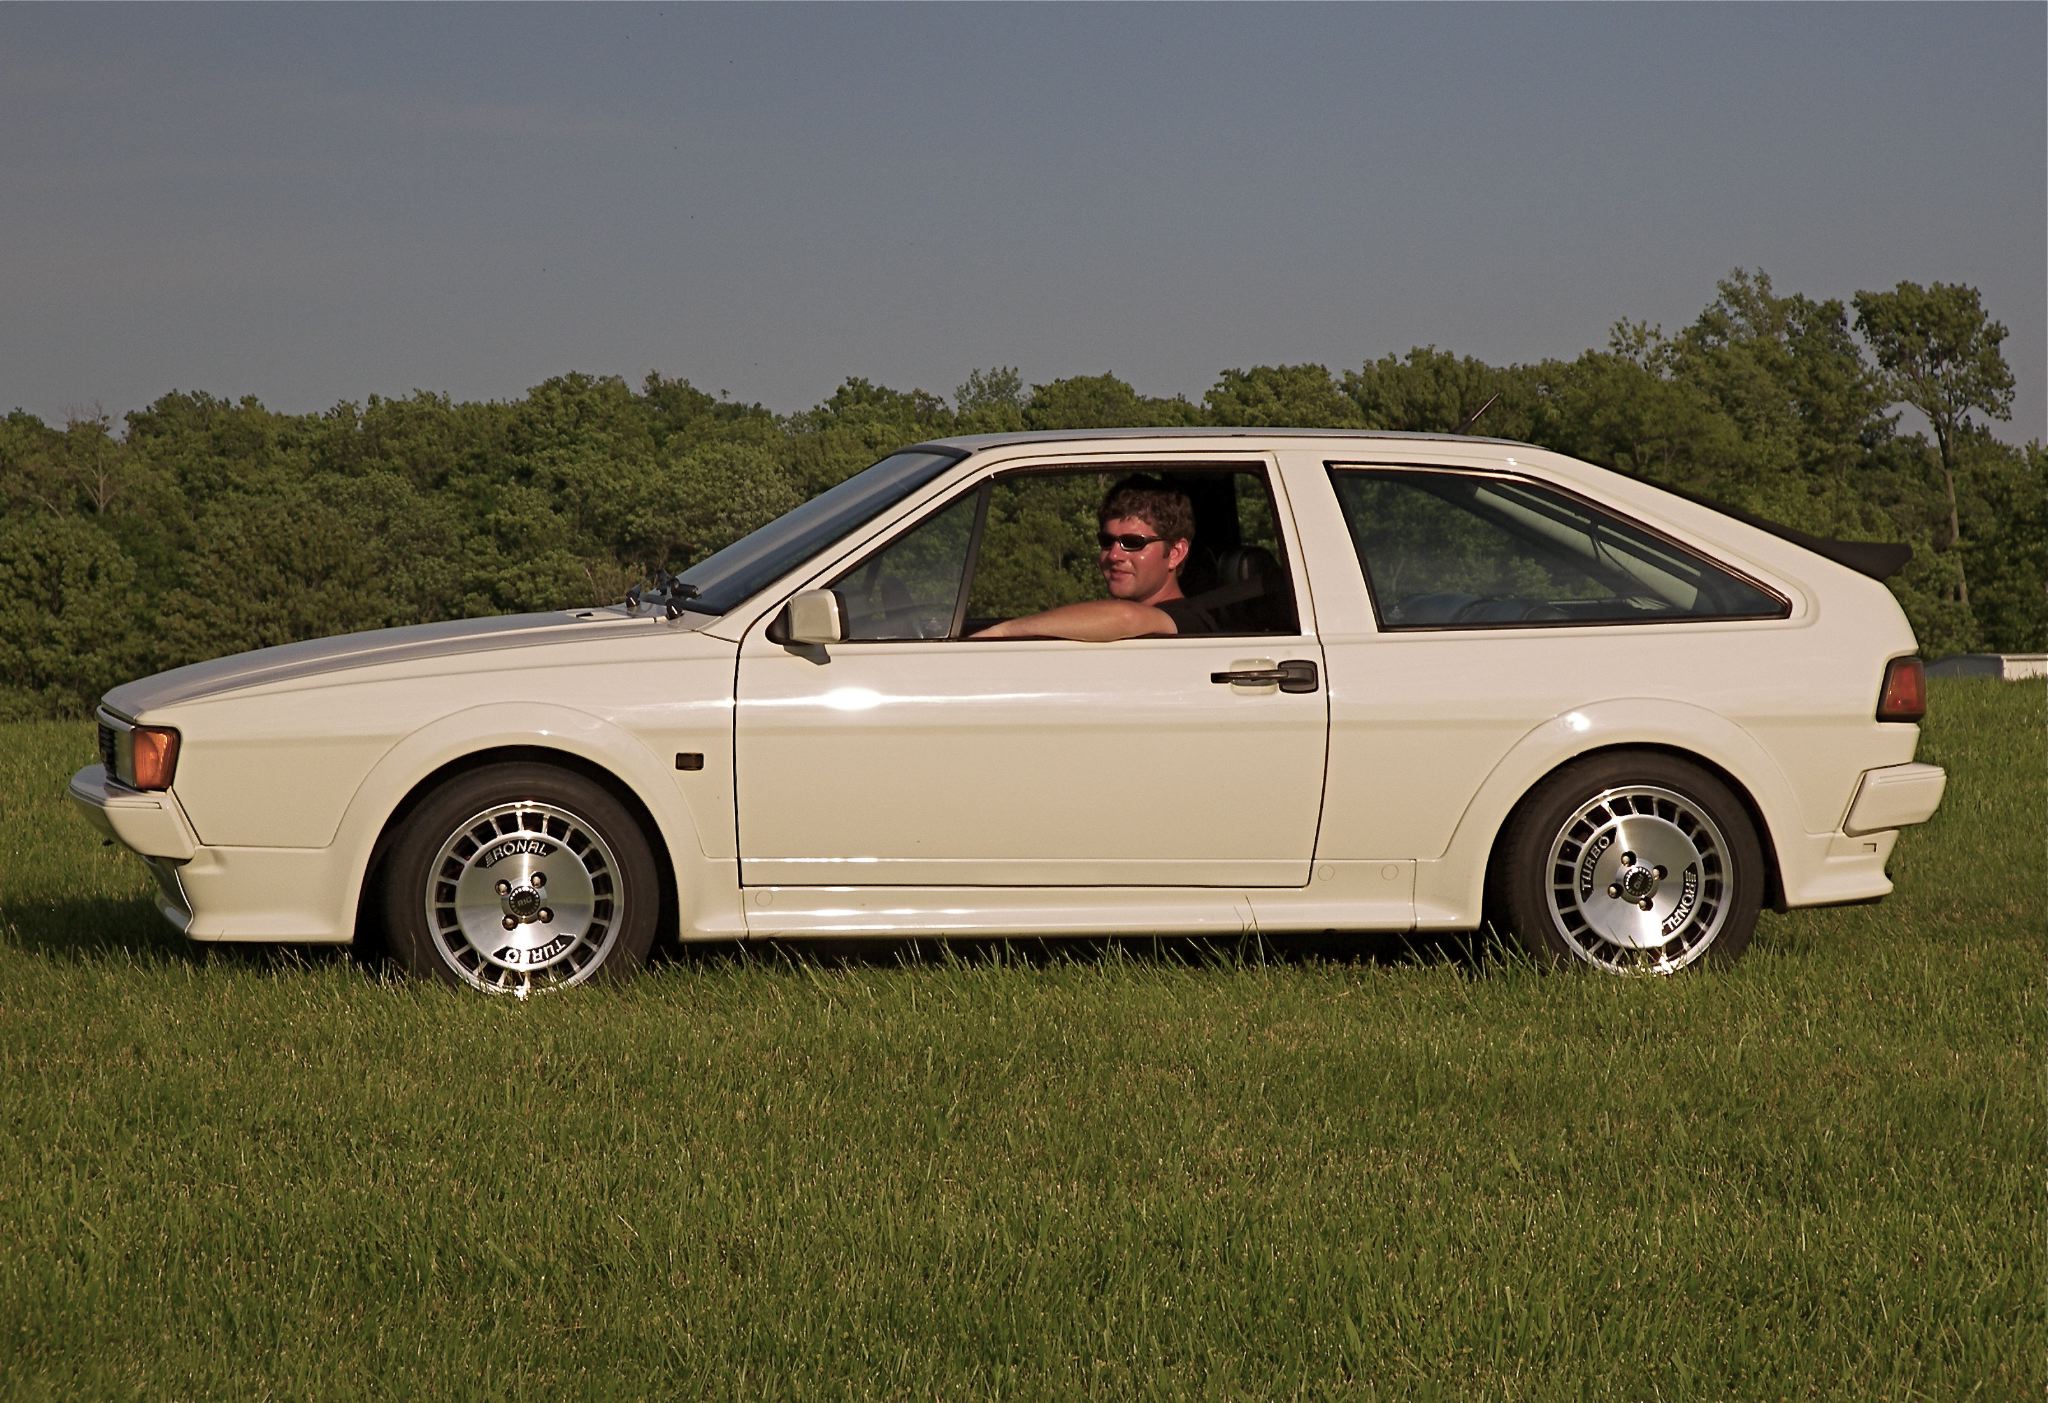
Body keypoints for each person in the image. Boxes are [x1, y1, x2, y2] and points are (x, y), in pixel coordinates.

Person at [973, 476, 1217, 640]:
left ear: (1175, 553)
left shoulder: (1190, 622)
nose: (1114, 555)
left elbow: (1125, 617)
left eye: (1133, 543)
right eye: (1107, 541)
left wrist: (1002, 633)